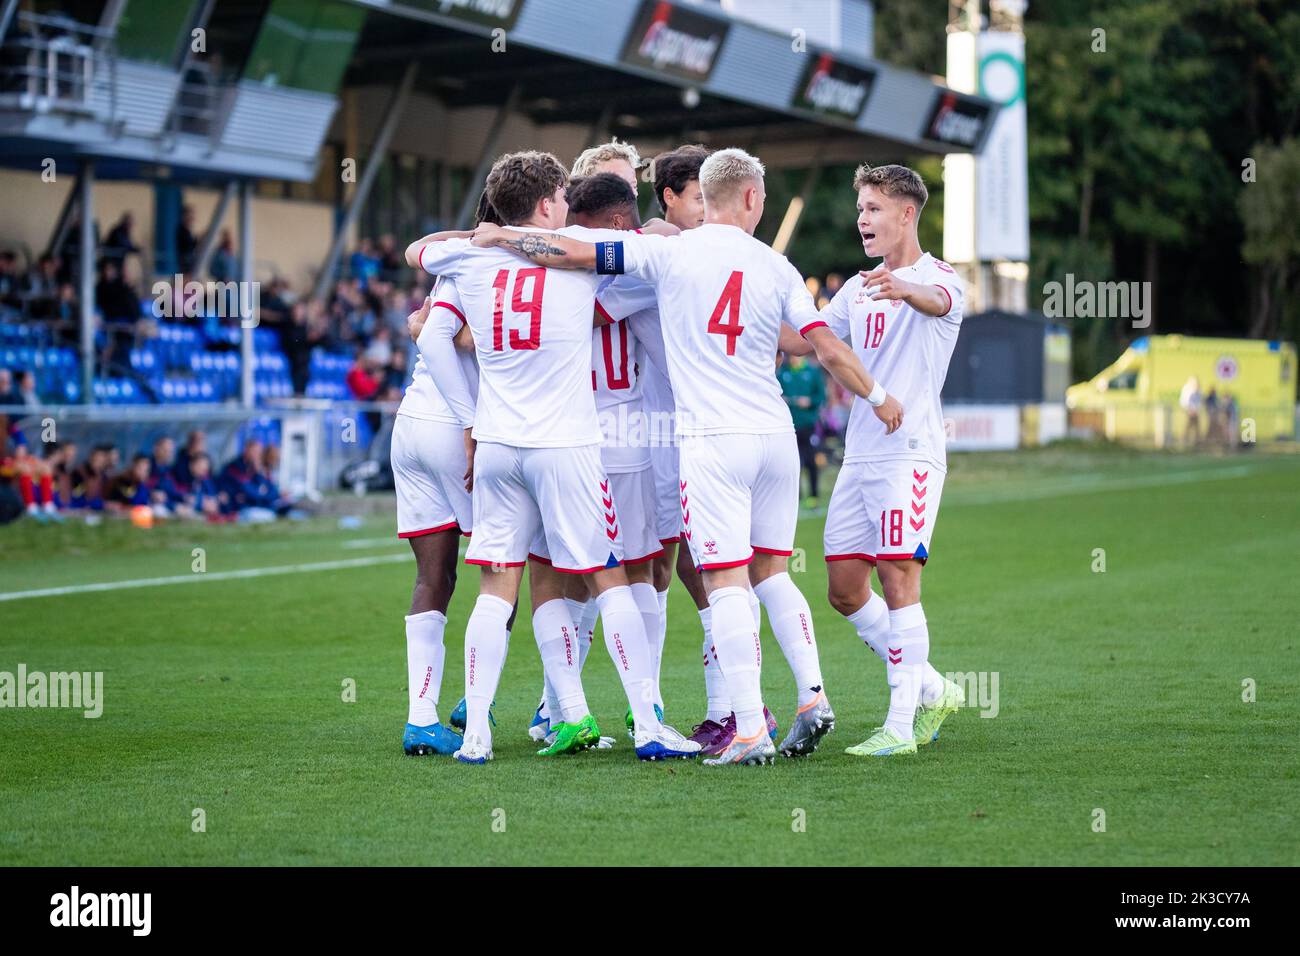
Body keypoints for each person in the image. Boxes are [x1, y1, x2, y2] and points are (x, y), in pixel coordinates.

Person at [474, 147, 898, 765]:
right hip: (775, 437)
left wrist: (506, 236)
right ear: (752, 199)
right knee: (773, 573)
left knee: (724, 579)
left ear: (707, 193)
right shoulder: (776, 266)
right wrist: (880, 397)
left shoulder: (666, 253)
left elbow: (569, 251)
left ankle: (748, 727)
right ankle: (812, 696)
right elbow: (824, 347)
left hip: (710, 441)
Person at [406, 149, 699, 764]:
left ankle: (479, 736)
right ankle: (648, 724)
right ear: (546, 205)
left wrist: (492, 235)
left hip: (496, 443)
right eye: (562, 195)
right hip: (564, 444)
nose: (569, 204)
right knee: (607, 576)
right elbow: (663, 246)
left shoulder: (474, 254)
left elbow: (418, 253)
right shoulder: (576, 247)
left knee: (496, 585)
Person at [818, 163, 968, 758]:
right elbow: (808, 338)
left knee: (898, 576)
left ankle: (900, 726)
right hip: (861, 455)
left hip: (911, 454)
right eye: (861, 209)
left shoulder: (941, 279)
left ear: (907, 213)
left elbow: (936, 301)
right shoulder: (856, 287)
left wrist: (906, 288)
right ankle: (933, 688)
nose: (863, 219)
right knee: (844, 588)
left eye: (874, 208)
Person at [778, 353, 826, 507]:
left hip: (808, 424)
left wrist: (810, 401)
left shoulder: (812, 371)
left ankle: (813, 496)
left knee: (811, 461)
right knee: (792, 463)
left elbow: (821, 397)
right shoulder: (782, 372)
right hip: (788, 426)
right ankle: (795, 497)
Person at [1179, 376, 1202, 447]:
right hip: (1189, 412)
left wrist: (1196, 410)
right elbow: (1184, 401)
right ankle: (1184, 443)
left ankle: (1197, 443)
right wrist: (1189, 409)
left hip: (1196, 412)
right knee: (1187, 427)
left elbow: (1199, 401)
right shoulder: (1187, 390)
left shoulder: (1198, 390)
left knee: (1196, 428)